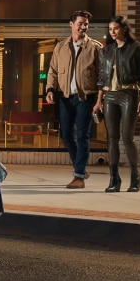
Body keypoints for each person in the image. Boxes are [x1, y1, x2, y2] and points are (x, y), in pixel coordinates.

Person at [45, 10, 103, 189]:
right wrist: (50, 89)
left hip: (86, 97)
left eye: (86, 24)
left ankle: (79, 176)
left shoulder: (95, 47)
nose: (83, 27)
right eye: (80, 23)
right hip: (65, 97)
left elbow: (103, 76)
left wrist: (99, 100)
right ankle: (81, 168)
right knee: (66, 135)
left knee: (82, 135)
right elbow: (53, 70)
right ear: (71, 24)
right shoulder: (60, 47)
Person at [92, 16, 140, 192]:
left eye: (116, 28)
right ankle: (114, 179)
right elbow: (102, 78)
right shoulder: (105, 51)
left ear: (124, 28)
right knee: (112, 138)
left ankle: (135, 176)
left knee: (127, 137)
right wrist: (99, 100)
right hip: (110, 96)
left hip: (129, 94)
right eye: (110, 29)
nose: (113, 32)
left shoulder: (137, 48)